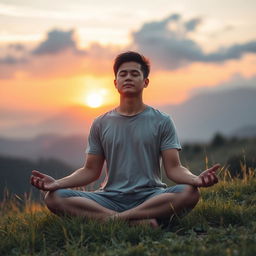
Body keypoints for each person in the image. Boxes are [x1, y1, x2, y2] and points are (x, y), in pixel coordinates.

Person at [30, 51, 219, 228]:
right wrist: (57, 184)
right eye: (123, 74)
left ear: (145, 82)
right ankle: (135, 220)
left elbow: (174, 168)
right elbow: (90, 171)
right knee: (54, 198)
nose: (128, 77)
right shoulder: (100, 123)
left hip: (151, 196)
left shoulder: (162, 121)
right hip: (109, 197)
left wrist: (196, 180)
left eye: (134, 74)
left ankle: (114, 220)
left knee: (189, 193)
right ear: (115, 82)